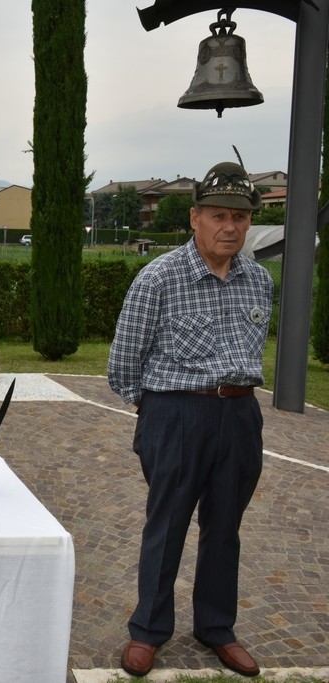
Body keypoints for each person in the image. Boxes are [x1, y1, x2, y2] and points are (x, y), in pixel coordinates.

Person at [107, 159, 272, 678]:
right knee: (168, 524)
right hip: (176, 414)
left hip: (241, 415)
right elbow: (123, 363)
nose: (230, 228)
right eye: (219, 216)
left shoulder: (258, 280)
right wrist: (156, 412)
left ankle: (216, 628)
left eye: (240, 219)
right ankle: (149, 631)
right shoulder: (159, 277)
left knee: (226, 527)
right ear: (195, 218)